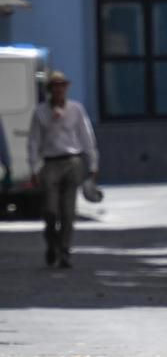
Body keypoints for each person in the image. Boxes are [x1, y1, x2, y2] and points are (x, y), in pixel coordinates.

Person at [27, 71, 99, 269]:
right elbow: (34, 141)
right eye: (55, 86)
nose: (59, 89)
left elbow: (86, 137)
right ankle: (52, 242)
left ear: (66, 88)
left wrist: (92, 164)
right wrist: (34, 168)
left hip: (72, 162)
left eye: (62, 85)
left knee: (68, 212)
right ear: (50, 90)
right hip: (50, 163)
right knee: (50, 210)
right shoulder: (40, 112)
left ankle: (64, 252)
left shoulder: (76, 109)